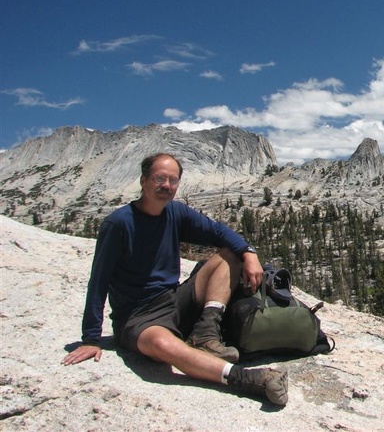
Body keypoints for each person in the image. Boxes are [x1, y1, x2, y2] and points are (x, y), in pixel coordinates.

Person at [62, 153, 288, 406]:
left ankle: (205, 333)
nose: (167, 186)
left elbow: (216, 231)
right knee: (162, 345)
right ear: (143, 180)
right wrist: (91, 338)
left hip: (174, 299)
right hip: (139, 318)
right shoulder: (119, 223)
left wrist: (249, 253)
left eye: (173, 180)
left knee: (230, 255)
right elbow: (98, 280)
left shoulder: (175, 212)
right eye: (159, 178)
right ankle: (251, 379)